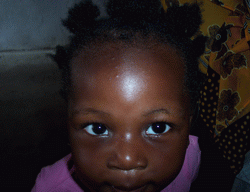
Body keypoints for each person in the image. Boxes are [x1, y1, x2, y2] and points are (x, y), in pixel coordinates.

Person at [31, 0, 207, 191]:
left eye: (158, 127)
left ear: (189, 122)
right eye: (98, 128)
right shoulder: (50, 188)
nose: (127, 160)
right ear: (67, 125)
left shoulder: (190, 158)